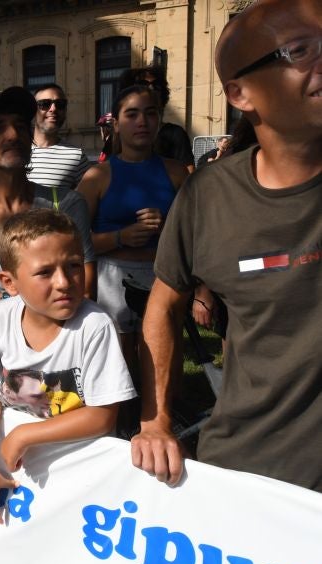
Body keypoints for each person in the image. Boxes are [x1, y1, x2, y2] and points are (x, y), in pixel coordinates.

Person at [131, 0, 322, 492]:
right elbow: (162, 305)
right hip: (248, 476)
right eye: (300, 51)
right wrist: (155, 421)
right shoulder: (207, 196)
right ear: (240, 93)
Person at [0, 209, 135, 524]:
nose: (64, 282)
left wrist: (25, 435)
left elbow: (102, 415)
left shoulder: (95, 326)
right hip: (17, 472)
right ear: (9, 282)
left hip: (80, 472)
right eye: (45, 272)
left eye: (73, 265)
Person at [0, 88, 96, 337]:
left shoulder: (65, 205)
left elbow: (84, 296)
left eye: (21, 126)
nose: (13, 135)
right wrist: (42, 302)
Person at [76, 85, 189, 370]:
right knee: (118, 369)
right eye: (132, 114)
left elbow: (197, 237)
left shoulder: (178, 173)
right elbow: (73, 244)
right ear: (116, 124)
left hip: (163, 278)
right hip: (111, 281)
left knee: (162, 365)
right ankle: (124, 416)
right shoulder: (97, 176)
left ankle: (164, 414)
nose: (142, 122)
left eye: (150, 114)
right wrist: (119, 237)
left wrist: (167, 231)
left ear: (159, 121)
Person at [119, 66, 196, 172]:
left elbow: (189, 174)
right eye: (143, 84)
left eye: (156, 85)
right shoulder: (119, 135)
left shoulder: (175, 134)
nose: (151, 89)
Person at [27, 84, 91, 189]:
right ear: (33, 111)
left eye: (60, 104)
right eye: (45, 104)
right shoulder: (18, 151)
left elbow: (87, 201)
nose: (53, 109)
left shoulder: (76, 156)